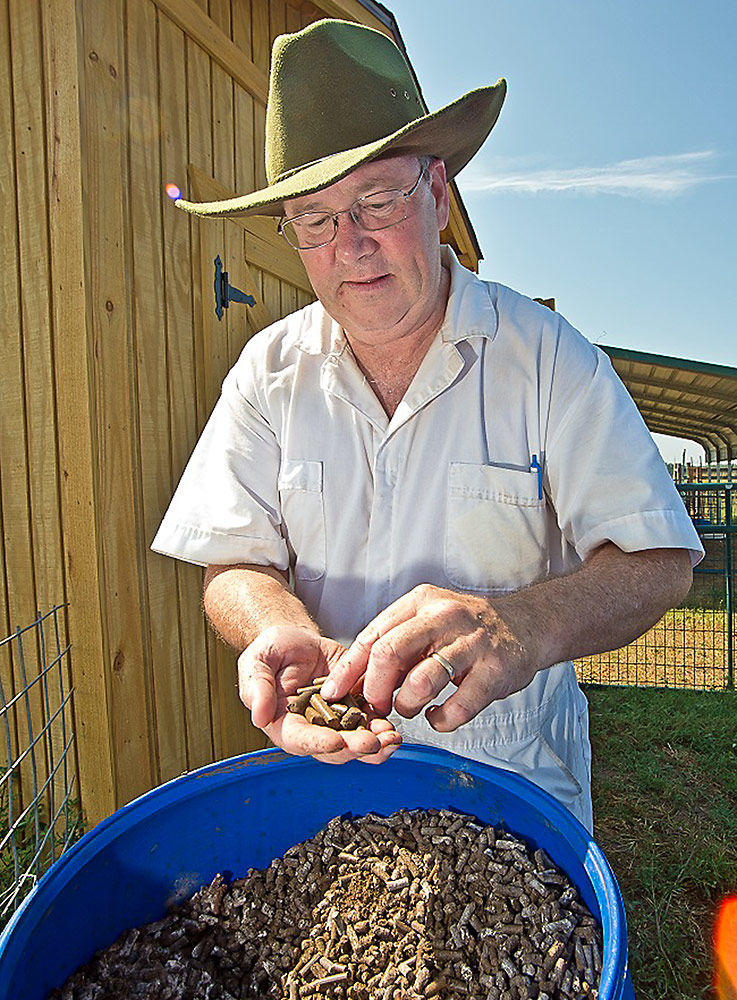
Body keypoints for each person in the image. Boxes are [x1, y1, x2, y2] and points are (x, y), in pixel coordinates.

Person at [152, 18, 703, 834]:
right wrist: (279, 629)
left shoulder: (550, 358)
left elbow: (658, 563)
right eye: (314, 219)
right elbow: (233, 559)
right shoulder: (268, 372)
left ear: (436, 196)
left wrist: (517, 624)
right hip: (328, 794)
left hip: (510, 792)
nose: (351, 245)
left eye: (377, 199)